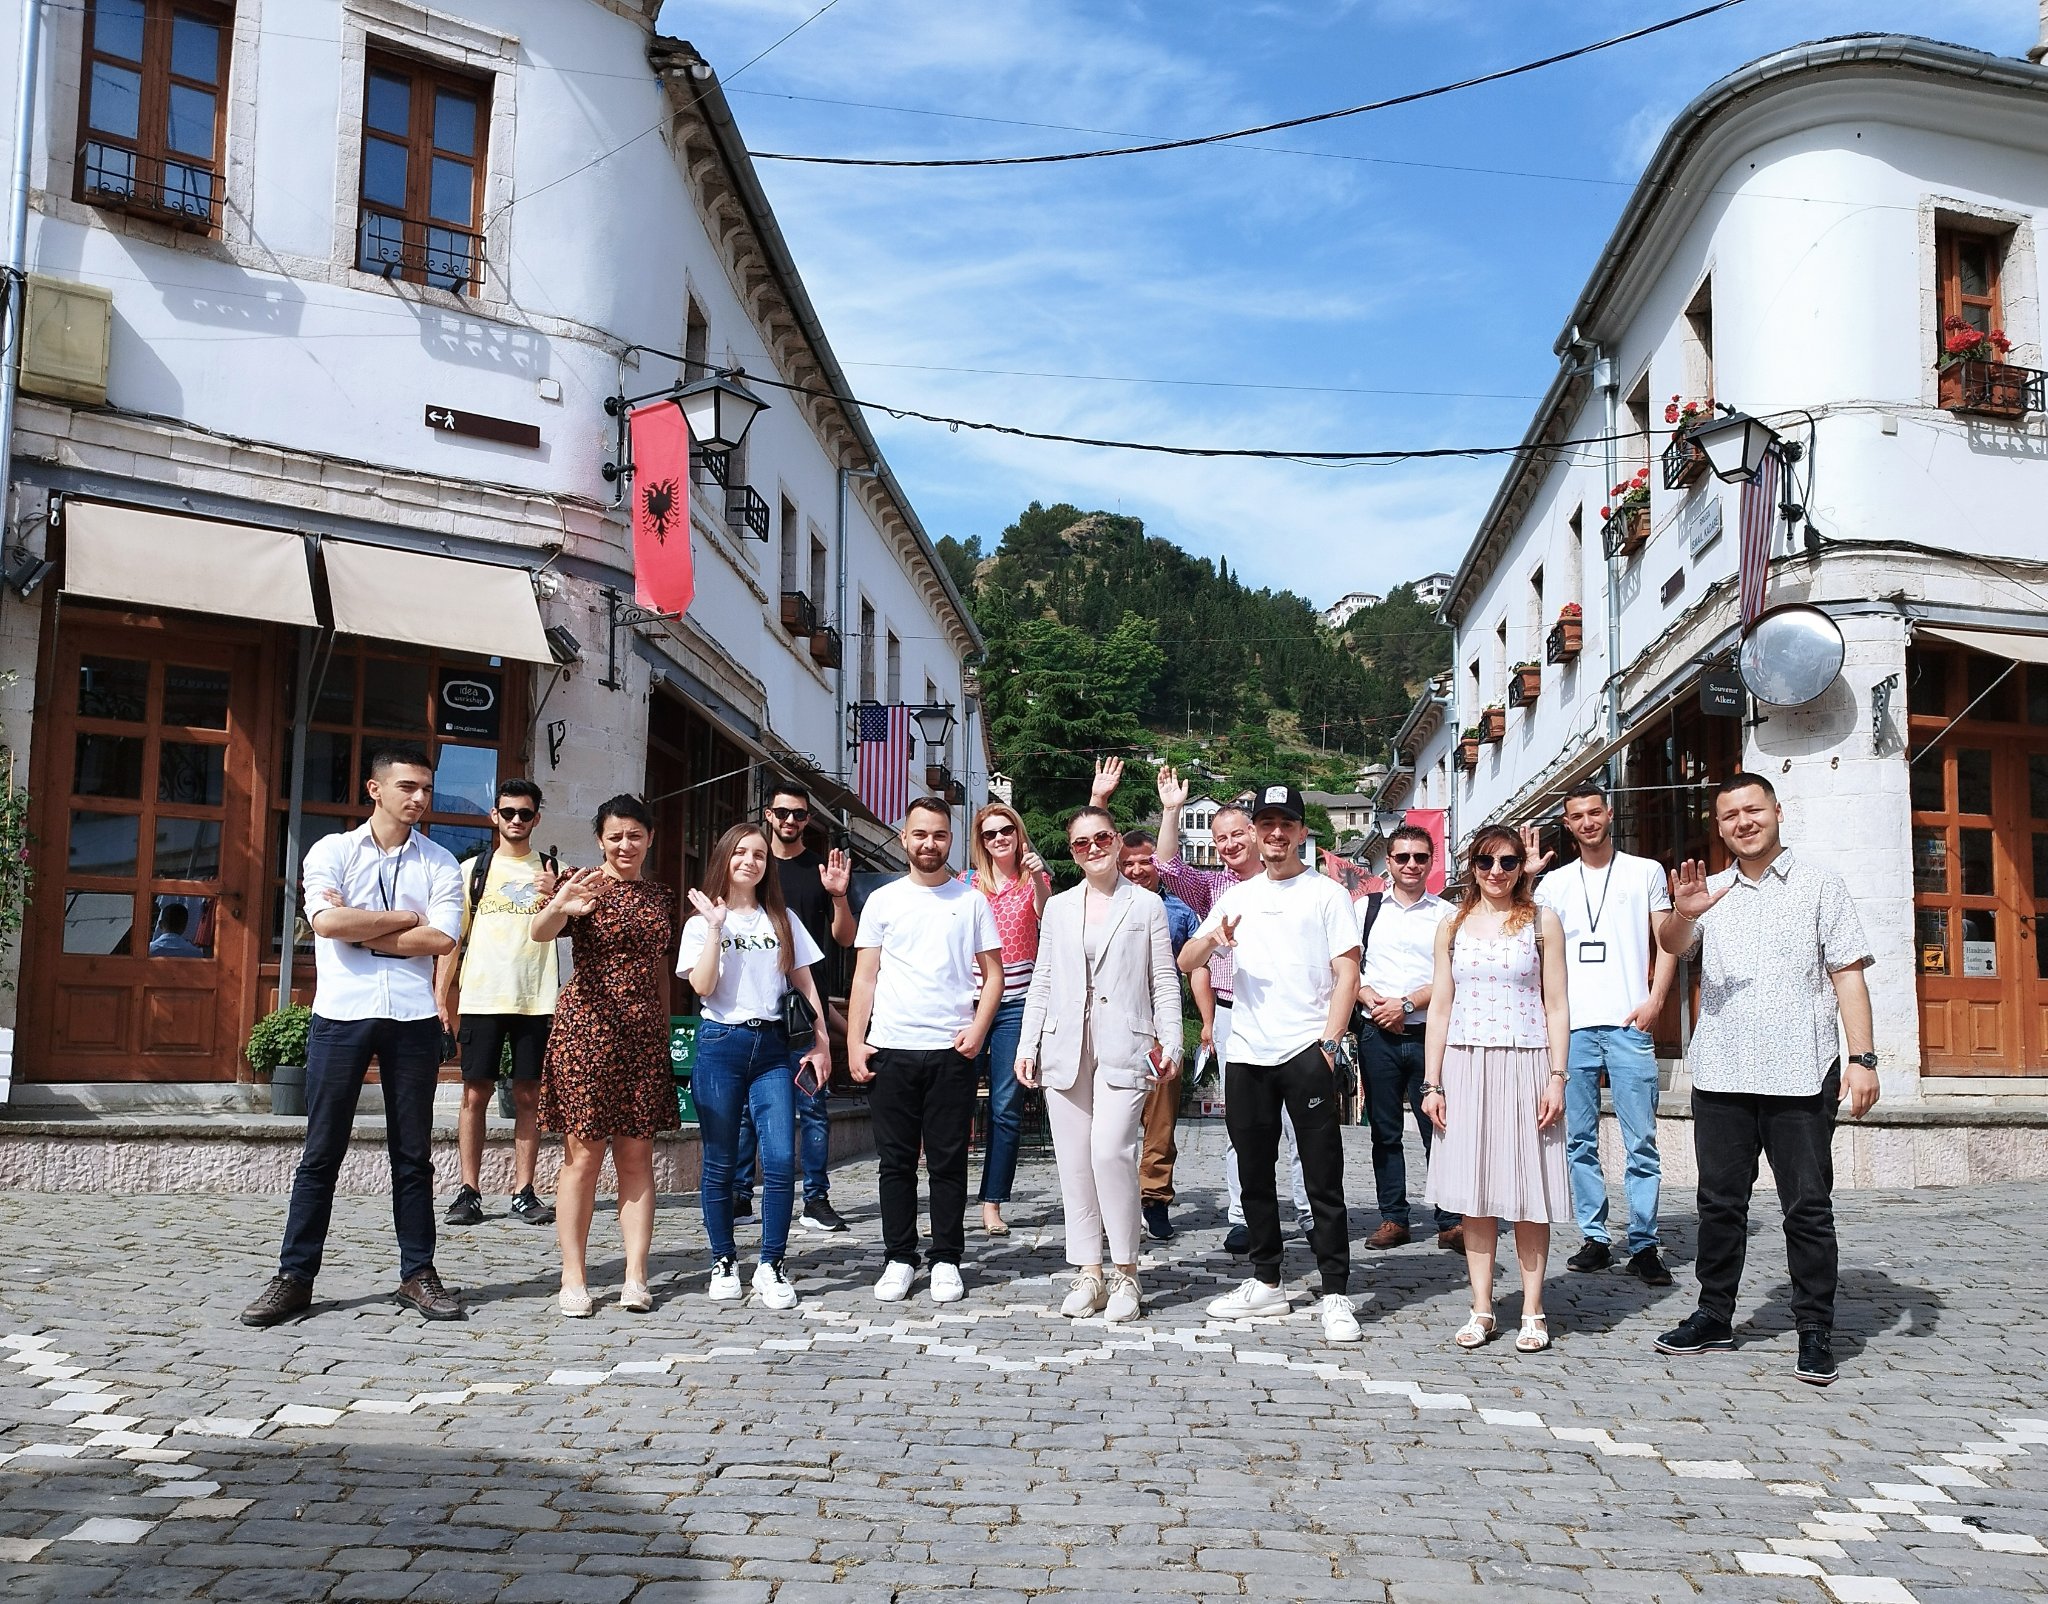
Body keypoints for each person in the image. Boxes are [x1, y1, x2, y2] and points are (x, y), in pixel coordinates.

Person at [1652, 772, 1877, 1387]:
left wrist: (1863, 1058)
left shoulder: (1820, 886)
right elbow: (1672, 945)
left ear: (1778, 811)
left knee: (1806, 1207)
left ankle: (1814, 1329)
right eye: (1730, 816)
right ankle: (1714, 1314)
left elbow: (1848, 973)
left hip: (1801, 1074)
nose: (1743, 823)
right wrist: (1682, 911)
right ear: (1719, 826)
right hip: (1723, 1071)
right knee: (1719, 1204)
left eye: (1753, 810)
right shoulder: (1709, 890)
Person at [241, 744, 465, 1327]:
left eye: (425, 788)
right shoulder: (333, 850)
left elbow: (443, 940)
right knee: (321, 1152)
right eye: (407, 787)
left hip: (414, 1018)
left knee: (413, 1156)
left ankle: (418, 1273)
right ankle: (294, 1277)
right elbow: (325, 923)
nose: (418, 798)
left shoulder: (440, 861)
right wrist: (403, 921)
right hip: (342, 1014)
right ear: (375, 789)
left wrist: (363, 930)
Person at [1181, 784, 1363, 1345]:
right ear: (1257, 833)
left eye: (1286, 823)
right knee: (1254, 1172)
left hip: (1305, 1049)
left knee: (1322, 1175)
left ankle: (1335, 1291)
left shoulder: (1327, 894)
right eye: (1267, 824)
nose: (1276, 834)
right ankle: (1267, 1279)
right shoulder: (1236, 896)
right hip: (1249, 1055)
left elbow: (1348, 973)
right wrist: (1215, 938)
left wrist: (1330, 1043)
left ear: (1303, 831)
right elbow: (1188, 959)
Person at [1017, 808, 1182, 1323]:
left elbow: (1163, 980)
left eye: (1102, 837)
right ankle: (1089, 1272)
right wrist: (1027, 1044)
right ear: (1071, 851)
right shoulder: (1061, 908)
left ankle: (1127, 1273)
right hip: (1064, 1046)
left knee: (1111, 1152)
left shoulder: (1147, 905)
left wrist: (1172, 1043)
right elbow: (1042, 978)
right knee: (1073, 1162)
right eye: (1081, 843)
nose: (1093, 848)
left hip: (1125, 1045)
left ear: (1116, 841)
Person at [1146, 765, 1311, 1252]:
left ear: (1260, 834)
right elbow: (1167, 866)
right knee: (1244, 1122)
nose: (1229, 843)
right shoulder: (1213, 889)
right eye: (1220, 838)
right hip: (1234, 1014)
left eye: (1238, 833)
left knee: (1299, 1124)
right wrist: (1173, 810)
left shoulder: (1298, 884)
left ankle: (1307, 1212)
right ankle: (1243, 1214)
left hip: (1292, 1013)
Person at [1421, 825, 1571, 1354]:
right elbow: (1439, 1007)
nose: (1497, 873)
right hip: (1463, 1062)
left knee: (1530, 1191)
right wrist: (1431, 1082)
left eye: (1508, 862)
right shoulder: (1451, 925)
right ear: (1472, 867)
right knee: (1475, 1191)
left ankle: (1533, 1308)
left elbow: (1557, 1004)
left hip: (1527, 1059)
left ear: (1519, 866)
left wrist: (1557, 1076)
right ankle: (1482, 1307)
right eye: (1486, 862)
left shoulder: (1541, 921)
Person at [847, 798, 1003, 1303]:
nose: (928, 844)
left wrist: (978, 1030)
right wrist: (854, 1040)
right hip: (892, 1046)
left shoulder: (971, 900)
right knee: (894, 1161)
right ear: (904, 838)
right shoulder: (883, 901)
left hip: (950, 1048)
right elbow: (865, 978)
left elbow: (994, 975)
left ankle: (947, 1259)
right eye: (919, 835)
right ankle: (898, 1256)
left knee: (948, 1160)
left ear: (950, 839)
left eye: (938, 835)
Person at [529, 795, 678, 1317]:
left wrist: (661, 1030)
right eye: (614, 836)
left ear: (649, 839)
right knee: (584, 1155)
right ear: (600, 839)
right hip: (586, 1029)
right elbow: (539, 933)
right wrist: (558, 906)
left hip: (640, 1035)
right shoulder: (582, 884)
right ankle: (574, 1277)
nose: (624, 845)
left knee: (636, 1157)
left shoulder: (661, 897)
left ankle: (636, 1274)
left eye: (634, 835)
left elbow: (660, 969)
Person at [1524, 781, 1678, 1285]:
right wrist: (1526, 880)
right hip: (1572, 1028)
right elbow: (1525, 942)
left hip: (1628, 1021)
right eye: (1577, 816)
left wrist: (1656, 999)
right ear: (1566, 825)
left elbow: (1668, 940)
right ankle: (1594, 1236)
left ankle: (1645, 1243)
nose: (1588, 822)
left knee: (1641, 1141)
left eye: (1595, 812)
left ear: (1609, 815)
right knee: (1579, 1140)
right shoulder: (1553, 885)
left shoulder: (1644, 872)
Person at [679, 822, 833, 1311]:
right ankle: (723, 1258)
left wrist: (823, 1044)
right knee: (721, 1161)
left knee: (782, 1160)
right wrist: (716, 928)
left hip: (772, 1047)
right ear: (725, 857)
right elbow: (702, 987)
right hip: (721, 1042)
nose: (750, 861)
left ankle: (771, 1262)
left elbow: (807, 986)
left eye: (760, 855)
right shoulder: (699, 921)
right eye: (741, 852)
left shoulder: (781, 918)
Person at [729, 785, 856, 1235]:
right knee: (746, 1108)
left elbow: (844, 939)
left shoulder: (818, 868)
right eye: (782, 812)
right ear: (768, 813)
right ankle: (741, 1195)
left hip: (805, 1008)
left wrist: (838, 896)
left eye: (799, 815)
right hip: (751, 1005)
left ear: (808, 819)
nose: (790, 821)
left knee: (812, 1106)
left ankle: (816, 1199)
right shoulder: (749, 867)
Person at [438, 779, 559, 1231]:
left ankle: (524, 1192)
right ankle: (468, 1191)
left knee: (529, 1096)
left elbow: (574, 926)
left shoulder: (554, 870)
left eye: (524, 813)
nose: (515, 820)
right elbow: (452, 940)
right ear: (494, 816)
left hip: (536, 998)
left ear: (536, 819)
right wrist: (440, 999)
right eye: (507, 812)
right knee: (474, 1095)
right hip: (483, 996)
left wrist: (555, 895)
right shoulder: (473, 870)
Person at [1354, 823, 1462, 1254]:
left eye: (1420, 857)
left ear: (1432, 861)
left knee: (1437, 1125)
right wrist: (1369, 998)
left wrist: (1407, 1004)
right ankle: (1393, 1217)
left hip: (1428, 1032)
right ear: (1388, 863)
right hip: (1375, 1030)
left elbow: (1451, 976)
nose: (1411, 865)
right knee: (1384, 1128)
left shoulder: (1446, 915)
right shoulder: (1365, 910)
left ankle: (1450, 1218)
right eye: (1402, 857)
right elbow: (1345, 965)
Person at [962, 800, 1050, 1236]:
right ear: (980, 841)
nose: (998, 839)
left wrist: (1036, 878)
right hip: (968, 1003)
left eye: (1005, 831)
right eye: (989, 833)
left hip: (1017, 1003)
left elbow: (1046, 915)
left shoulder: (1034, 879)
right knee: (954, 1104)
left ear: (1018, 835)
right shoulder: (966, 883)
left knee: (1005, 1108)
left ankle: (992, 1203)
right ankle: (948, 1195)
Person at [1120, 827, 1196, 1241]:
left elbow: (1198, 966)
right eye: (1127, 863)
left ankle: (1154, 1197)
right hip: (1112, 1025)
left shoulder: (1180, 912)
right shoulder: (1102, 905)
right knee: (1110, 1120)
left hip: (1160, 1027)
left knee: (1161, 1120)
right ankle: (1110, 1199)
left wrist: (1206, 1024)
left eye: (1144, 861)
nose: (1136, 870)